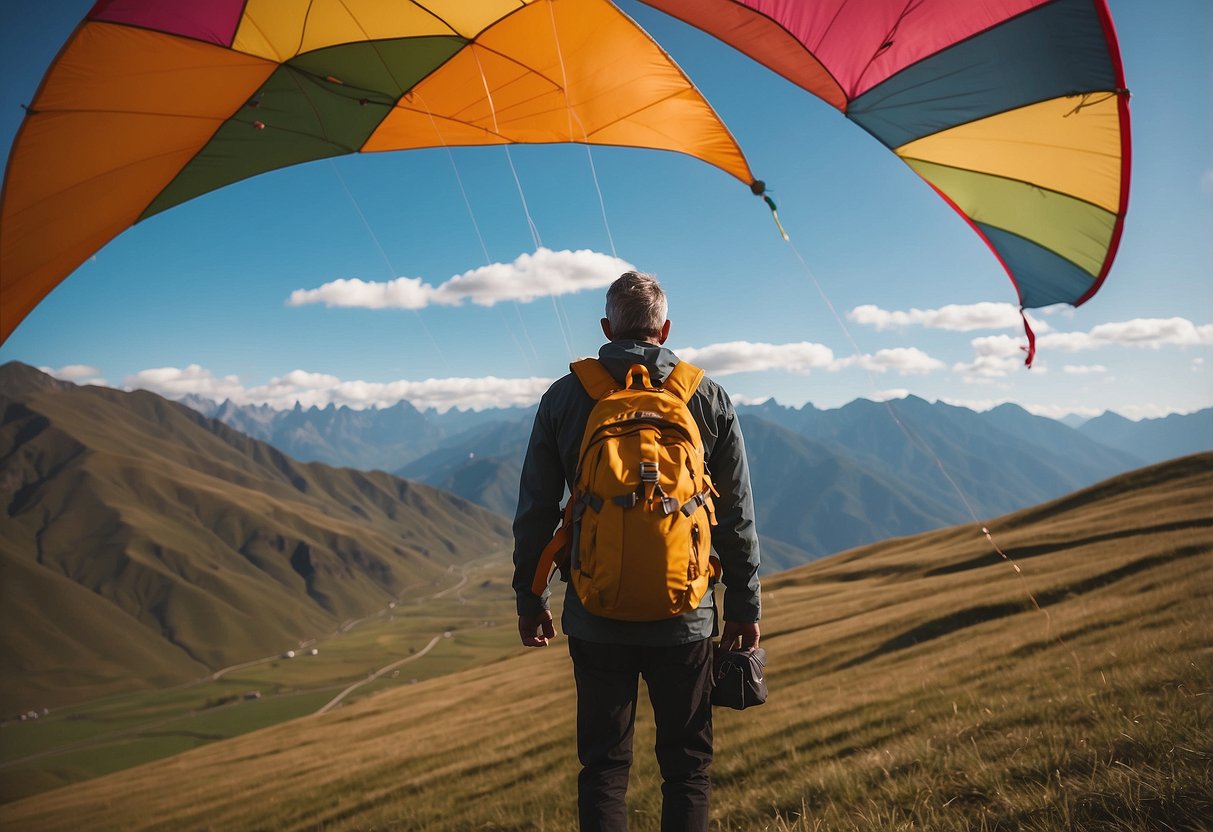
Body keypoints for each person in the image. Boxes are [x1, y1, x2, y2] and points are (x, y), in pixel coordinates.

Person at [511, 271, 762, 831]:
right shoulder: (708, 396)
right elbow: (736, 515)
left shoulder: (566, 395)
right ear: (666, 329)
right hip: (687, 615)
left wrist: (531, 600)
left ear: (606, 328)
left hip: (596, 613)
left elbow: (534, 511)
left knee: (603, 766)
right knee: (687, 767)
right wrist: (746, 605)